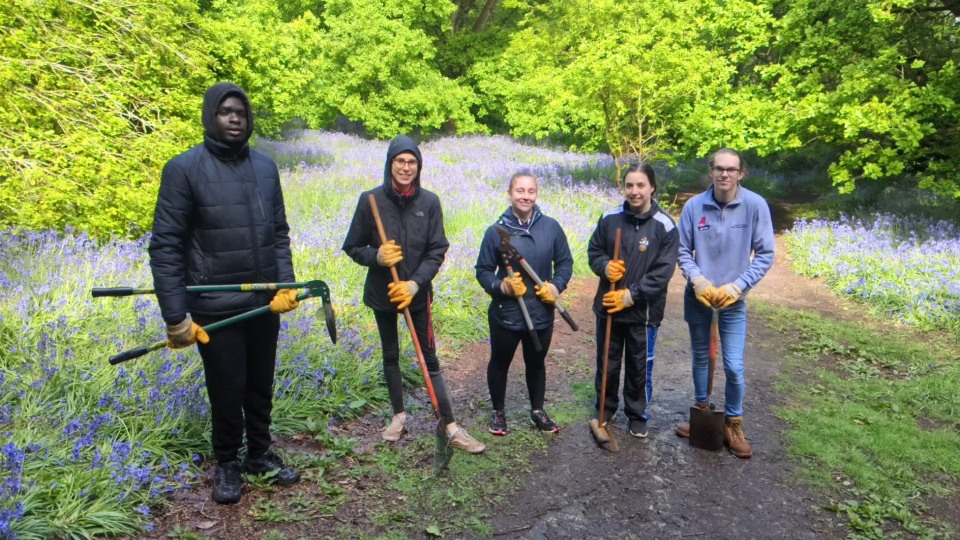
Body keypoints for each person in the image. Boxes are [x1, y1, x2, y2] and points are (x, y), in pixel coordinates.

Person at [149, 82, 301, 505]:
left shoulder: (266, 168)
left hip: (263, 301)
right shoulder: (183, 169)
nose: (236, 118)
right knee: (227, 386)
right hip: (215, 306)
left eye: (242, 112)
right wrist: (176, 315)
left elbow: (278, 234)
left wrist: (284, 286)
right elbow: (166, 247)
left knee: (259, 383)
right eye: (226, 112)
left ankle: (259, 454)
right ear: (210, 116)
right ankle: (227, 463)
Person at [342, 135, 485, 454]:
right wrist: (376, 256)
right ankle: (398, 416)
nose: (406, 167)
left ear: (418, 166)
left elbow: (437, 249)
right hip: (383, 292)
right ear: (390, 164)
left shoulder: (429, 202)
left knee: (428, 357)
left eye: (411, 162)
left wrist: (415, 283)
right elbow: (352, 246)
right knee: (390, 354)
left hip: (417, 295)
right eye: (400, 161)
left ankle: (449, 424)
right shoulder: (371, 201)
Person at [675, 148, 774, 459]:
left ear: (740, 173)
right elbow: (680, 252)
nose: (724, 174)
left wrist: (738, 286)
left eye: (731, 169)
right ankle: (702, 411)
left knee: (733, 364)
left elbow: (766, 254)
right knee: (702, 359)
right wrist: (698, 280)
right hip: (700, 298)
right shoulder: (694, 207)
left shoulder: (755, 206)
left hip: (732, 300)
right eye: (719, 168)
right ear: (711, 171)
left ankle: (733, 422)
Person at [475, 172, 574, 436]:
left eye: (531, 191)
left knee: (537, 362)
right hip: (506, 314)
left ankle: (537, 411)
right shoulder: (495, 232)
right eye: (520, 190)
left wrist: (555, 285)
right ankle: (498, 412)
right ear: (510, 193)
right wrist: (501, 286)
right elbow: (483, 271)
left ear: (536, 194)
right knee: (500, 362)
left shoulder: (551, 227)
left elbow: (565, 263)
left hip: (541, 311)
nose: (525, 196)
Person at [587, 163, 678, 438]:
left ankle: (637, 414)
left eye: (640, 185)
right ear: (623, 187)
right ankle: (606, 406)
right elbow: (594, 251)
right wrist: (604, 266)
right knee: (608, 361)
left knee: (640, 365)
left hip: (643, 312)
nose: (634, 191)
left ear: (652, 187)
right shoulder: (610, 219)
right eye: (629, 185)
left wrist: (631, 295)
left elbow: (663, 272)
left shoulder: (665, 225)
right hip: (609, 308)